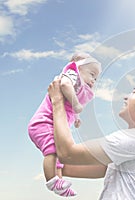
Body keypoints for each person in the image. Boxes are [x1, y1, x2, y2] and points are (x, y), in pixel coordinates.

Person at [47, 76, 135, 199]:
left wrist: (57, 102)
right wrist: (57, 167)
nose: (126, 97)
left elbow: (67, 153)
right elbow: (102, 168)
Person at [28, 52, 101, 197]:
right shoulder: (70, 75)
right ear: (77, 66)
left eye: (96, 78)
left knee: (60, 155)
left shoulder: (78, 85)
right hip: (43, 123)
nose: (93, 80)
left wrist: (76, 116)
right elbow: (65, 85)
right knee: (53, 152)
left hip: (49, 125)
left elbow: (69, 104)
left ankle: (59, 184)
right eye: (91, 74)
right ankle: (52, 181)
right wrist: (77, 105)